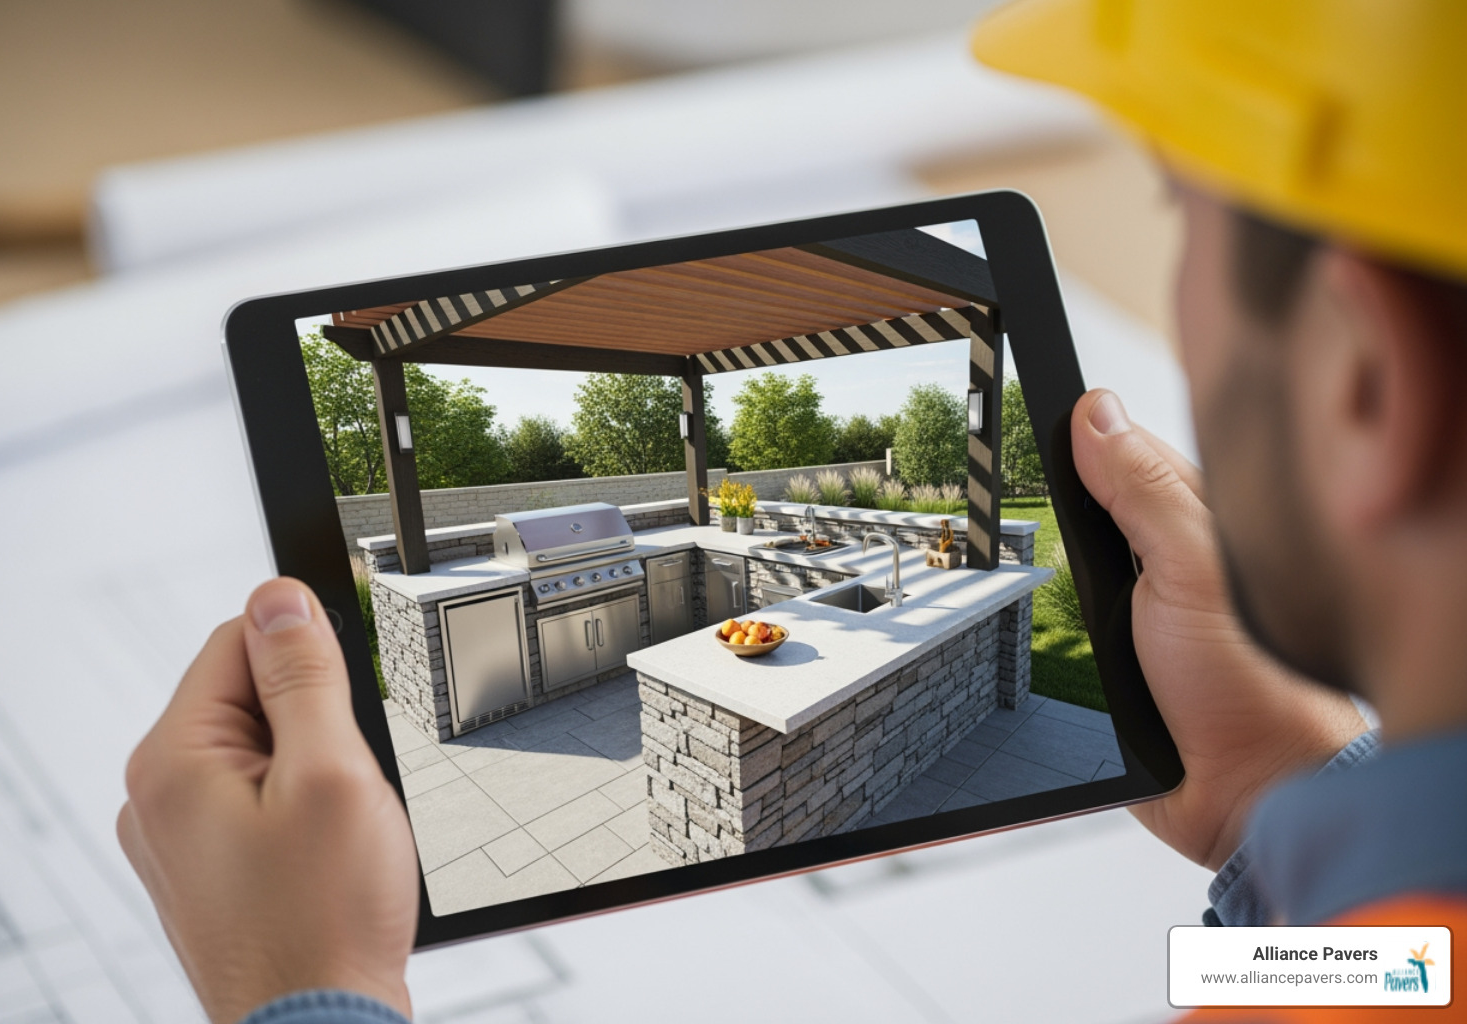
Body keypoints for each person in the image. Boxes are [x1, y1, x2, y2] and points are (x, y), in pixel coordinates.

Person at [119, 2, 1466, 1020]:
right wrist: (1273, 796)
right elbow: (1389, 970)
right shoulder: (1402, 952)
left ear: (1364, 373)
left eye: (1177, 215)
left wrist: (305, 993)